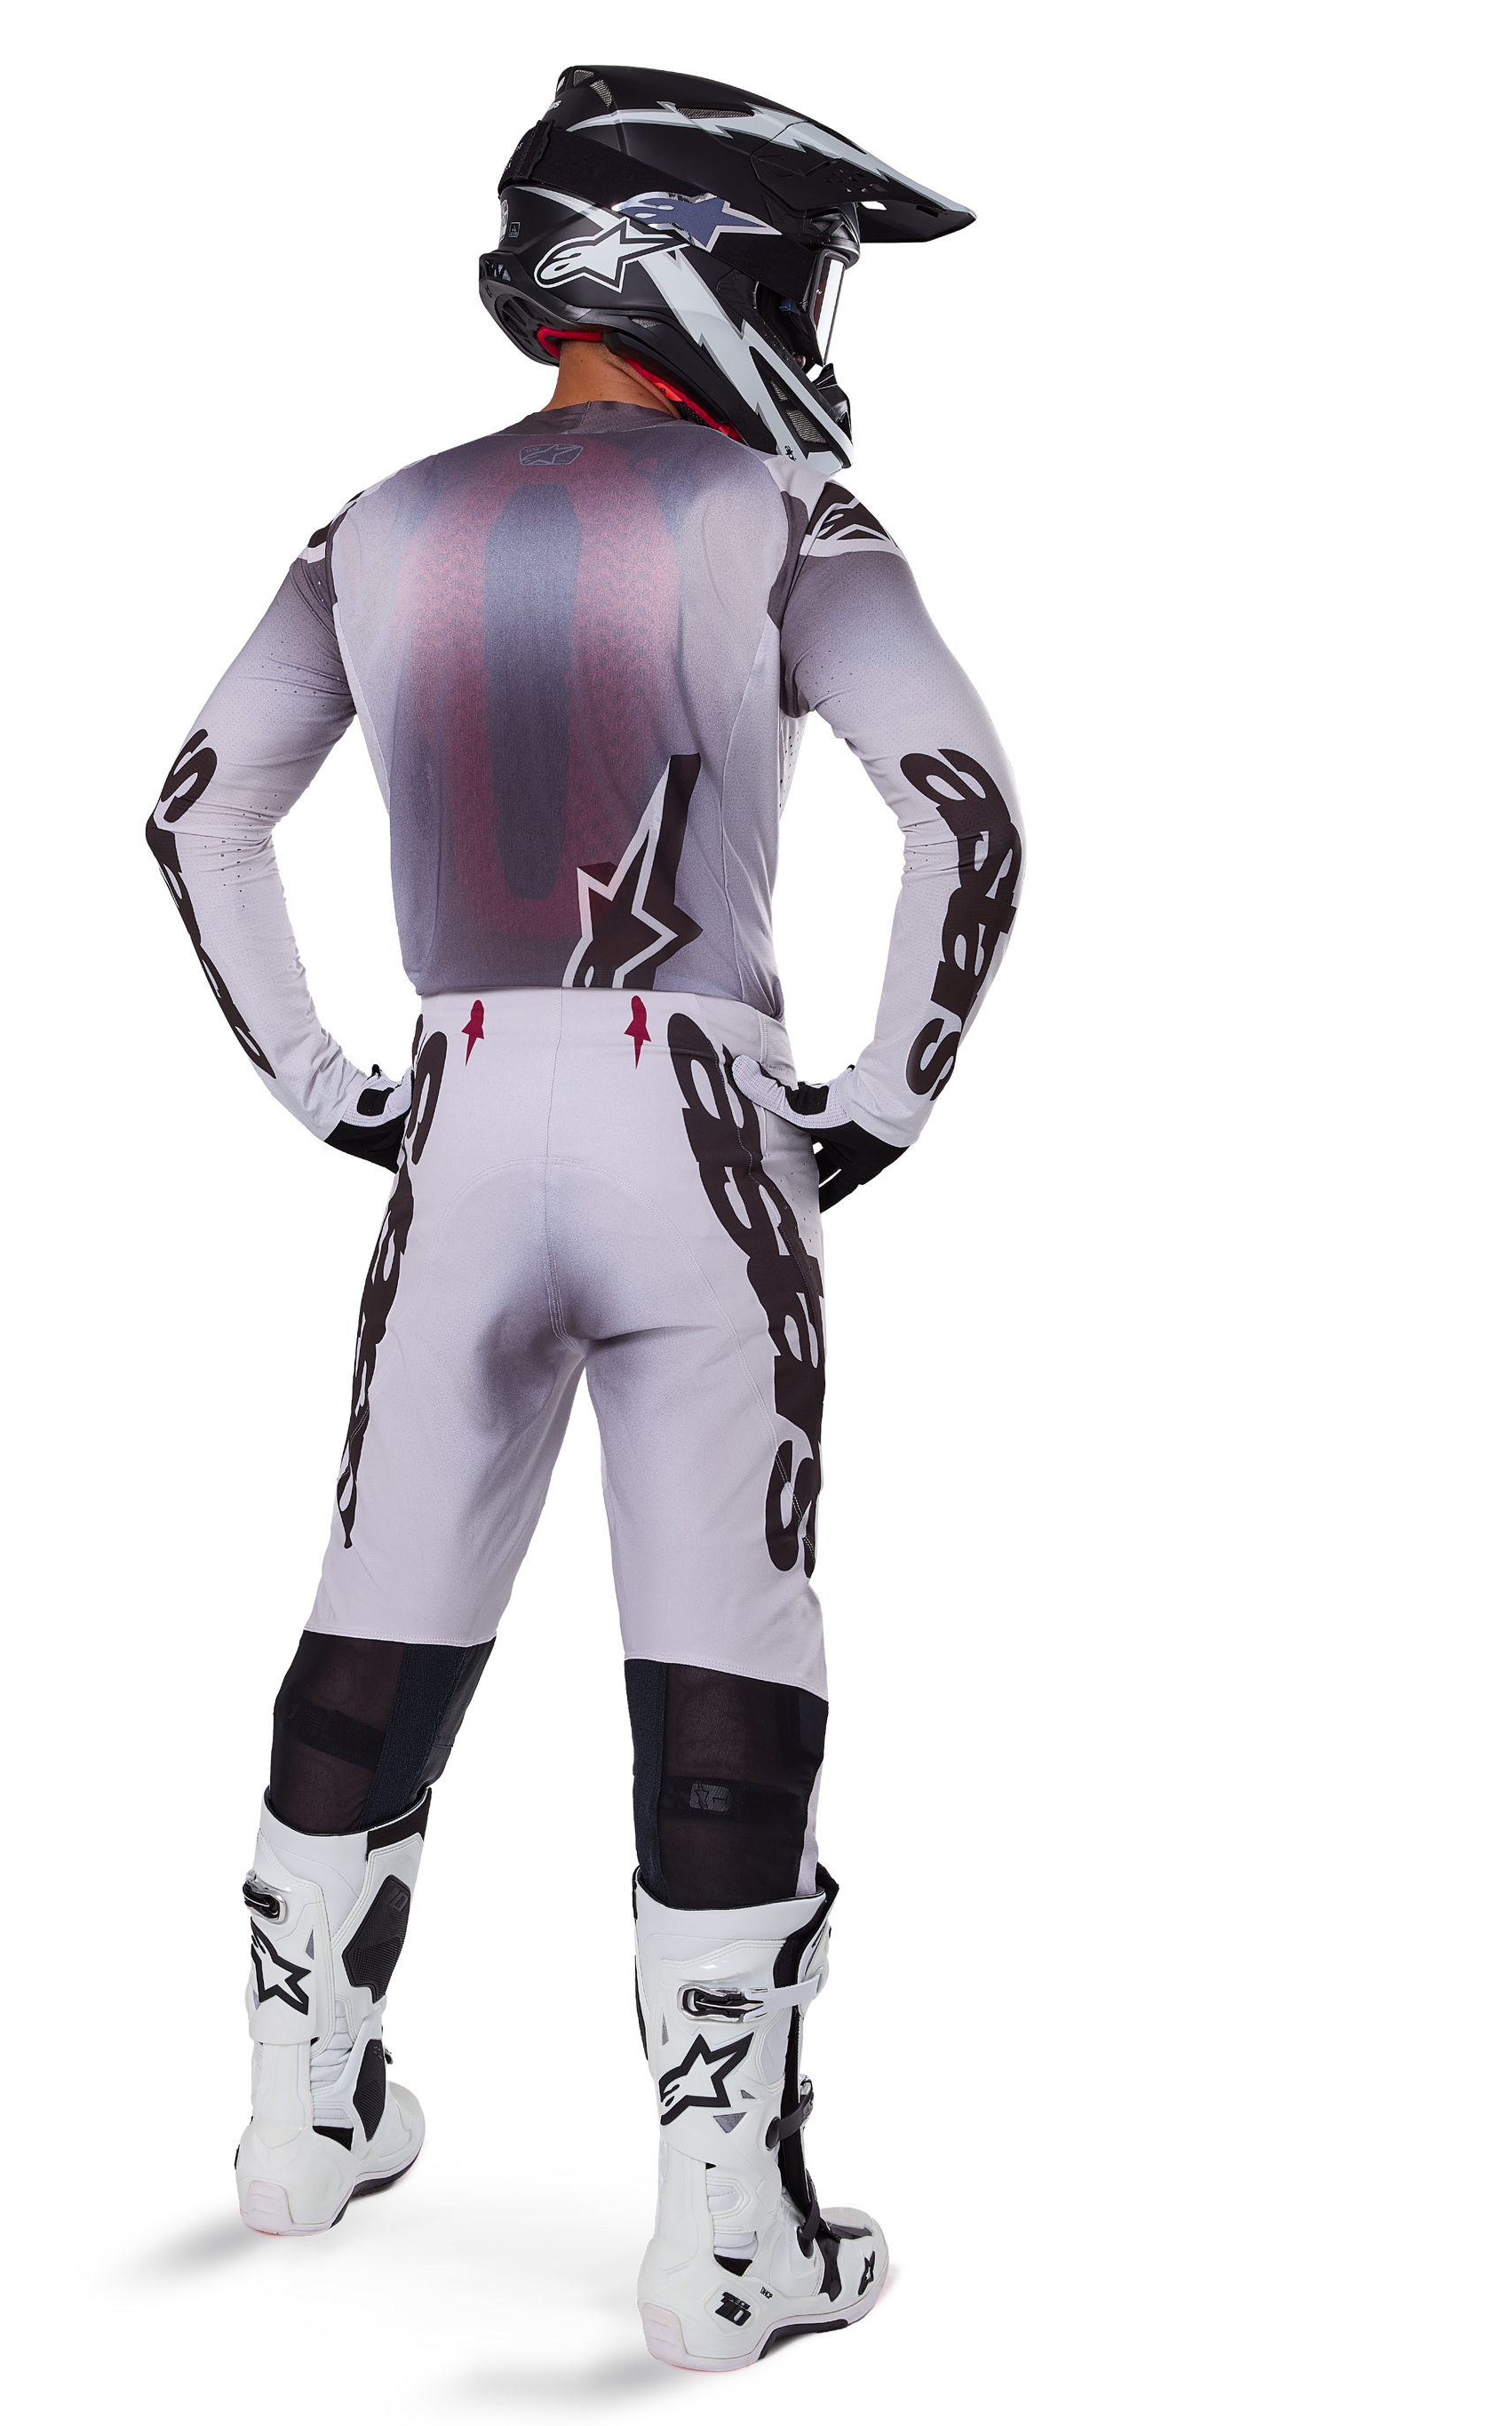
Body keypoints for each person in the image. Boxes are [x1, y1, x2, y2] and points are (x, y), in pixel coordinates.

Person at [142, 59, 1025, 2382]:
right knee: (727, 1648)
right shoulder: (792, 513)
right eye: (804, 271)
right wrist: (887, 1098)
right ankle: (729, 2242)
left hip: (450, 1110)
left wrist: (323, 1080)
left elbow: (202, 813)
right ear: (700, 265)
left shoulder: (371, 520)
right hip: (703, 1118)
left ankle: (295, 2129)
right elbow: (972, 813)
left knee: (378, 1611)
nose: (818, 319)